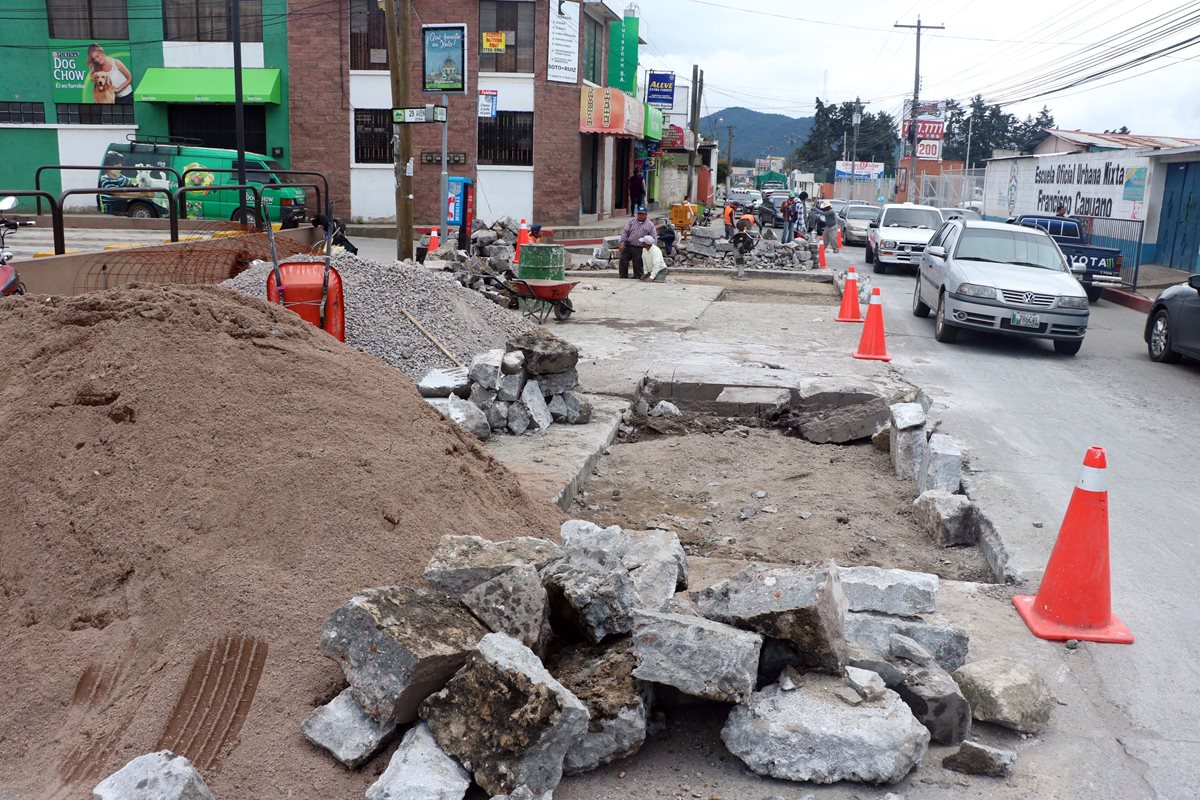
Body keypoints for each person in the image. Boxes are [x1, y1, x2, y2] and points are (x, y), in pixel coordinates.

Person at [618, 205, 656, 279]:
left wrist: (651, 250)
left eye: (642, 214)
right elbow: (625, 233)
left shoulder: (650, 225)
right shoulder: (631, 222)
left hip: (640, 247)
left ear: (646, 215)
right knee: (623, 259)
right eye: (639, 214)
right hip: (629, 245)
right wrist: (622, 243)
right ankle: (623, 276)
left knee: (638, 262)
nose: (640, 216)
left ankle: (637, 277)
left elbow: (653, 238)